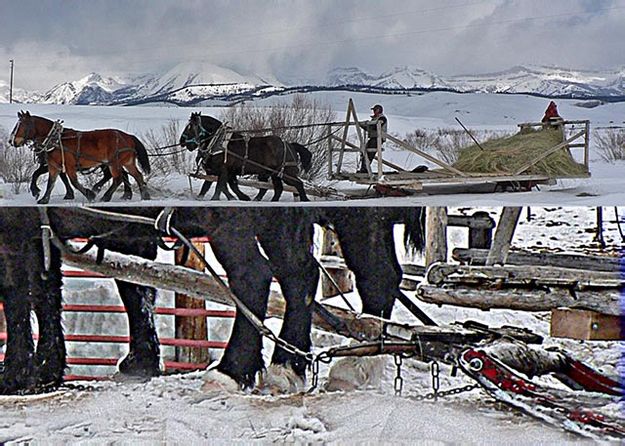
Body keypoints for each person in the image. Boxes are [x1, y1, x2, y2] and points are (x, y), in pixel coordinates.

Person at [358, 104, 388, 173]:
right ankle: (364, 169)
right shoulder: (374, 119)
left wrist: (367, 124)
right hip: (373, 138)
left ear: (378, 110)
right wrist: (363, 125)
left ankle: (365, 168)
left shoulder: (382, 118)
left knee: (370, 153)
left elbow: (374, 127)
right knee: (365, 151)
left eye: (375, 110)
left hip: (378, 138)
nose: (373, 112)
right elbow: (370, 128)